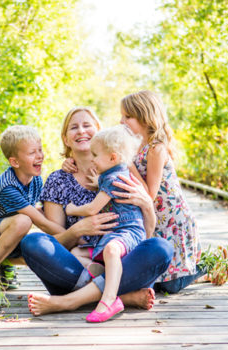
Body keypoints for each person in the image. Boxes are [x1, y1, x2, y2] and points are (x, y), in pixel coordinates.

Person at [21, 107, 173, 316]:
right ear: (66, 139)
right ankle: (123, 296)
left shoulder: (123, 171)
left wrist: (147, 205)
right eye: (74, 127)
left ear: (99, 132)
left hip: (121, 258)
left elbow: (144, 232)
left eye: (87, 125)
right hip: (77, 266)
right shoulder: (58, 180)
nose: (81, 131)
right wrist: (77, 230)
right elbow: (56, 242)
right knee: (32, 242)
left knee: (161, 248)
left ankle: (71, 300)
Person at [66, 125, 152, 322]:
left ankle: (109, 300)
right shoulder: (112, 174)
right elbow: (106, 182)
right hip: (116, 232)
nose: (92, 158)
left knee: (112, 251)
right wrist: (98, 180)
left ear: (113, 158)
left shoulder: (114, 178)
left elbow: (91, 209)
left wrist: (71, 209)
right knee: (76, 252)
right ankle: (104, 274)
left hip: (128, 231)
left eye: (95, 155)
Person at [0, 125, 66, 298]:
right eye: (32, 153)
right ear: (15, 162)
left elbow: (38, 211)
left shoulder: (35, 180)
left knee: (36, 245)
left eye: (40, 150)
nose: (39, 156)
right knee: (24, 221)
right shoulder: (8, 186)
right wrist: (72, 236)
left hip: (9, 232)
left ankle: (3, 261)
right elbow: (39, 221)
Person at [120, 90, 204, 293]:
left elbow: (149, 195)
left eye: (127, 117)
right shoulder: (136, 147)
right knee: (156, 280)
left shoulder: (156, 149)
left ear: (145, 117)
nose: (121, 121)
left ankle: (207, 267)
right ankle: (193, 269)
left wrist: (129, 165)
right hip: (155, 222)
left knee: (171, 285)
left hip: (173, 222)